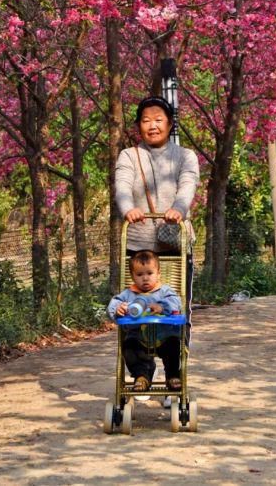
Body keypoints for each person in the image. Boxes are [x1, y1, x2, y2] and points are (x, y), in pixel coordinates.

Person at [115, 95, 200, 344]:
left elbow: (187, 186)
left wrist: (178, 209)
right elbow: (122, 186)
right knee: (135, 311)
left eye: (158, 120)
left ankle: (176, 363)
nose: (152, 126)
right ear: (139, 125)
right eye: (146, 120)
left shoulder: (185, 156)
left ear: (170, 123)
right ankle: (141, 368)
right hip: (138, 246)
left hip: (174, 242)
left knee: (176, 306)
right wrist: (128, 209)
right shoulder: (129, 156)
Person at [107, 250, 183, 393]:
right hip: (139, 338)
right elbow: (114, 304)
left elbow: (176, 302)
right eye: (140, 275)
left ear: (158, 273)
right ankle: (141, 376)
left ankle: (172, 375)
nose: (145, 278)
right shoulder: (128, 294)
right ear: (133, 276)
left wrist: (162, 307)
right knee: (128, 347)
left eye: (149, 273)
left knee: (174, 345)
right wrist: (118, 309)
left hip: (164, 337)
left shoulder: (165, 291)